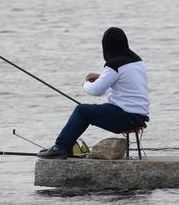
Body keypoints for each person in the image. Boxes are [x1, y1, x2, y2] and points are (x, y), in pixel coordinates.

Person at [38, 27, 149, 159]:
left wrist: (85, 84)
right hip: (138, 117)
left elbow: (96, 90)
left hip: (125, 118)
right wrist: (100, 76)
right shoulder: (136, 61)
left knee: (82, 110)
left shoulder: (114, 64)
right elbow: (124, 79)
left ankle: (60, 147)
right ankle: (65, 147)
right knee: (97, 109)